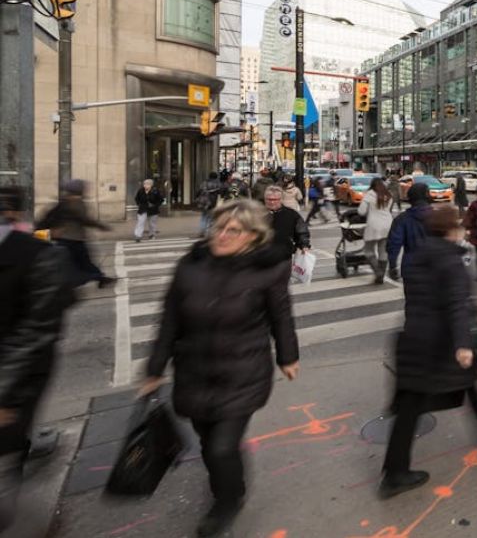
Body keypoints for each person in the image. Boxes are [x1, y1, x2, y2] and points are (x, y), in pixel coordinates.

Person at [139, 200, 299, 537]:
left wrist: (288, 356)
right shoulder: (191, 265)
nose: (222, 235)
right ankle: (226, 478)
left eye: (233, 230)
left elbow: (281, 316)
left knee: (221, 446)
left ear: (253, 237)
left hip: (243, 372)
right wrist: (155, 367)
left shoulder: (268, 270)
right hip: (194, 371)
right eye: (219, 227)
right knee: (208, 440)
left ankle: (228, 498)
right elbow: (169, 319)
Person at [381, 205, 477, 498]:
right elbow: (456, 304)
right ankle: (394, 474)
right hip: (439, 343)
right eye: (458, 226)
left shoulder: (419, 253)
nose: (462, 230)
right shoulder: (450, 259)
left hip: (415, 336)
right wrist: (462, 344)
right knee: (415, 405)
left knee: (462, 384)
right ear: (449, 230)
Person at [0, 188, 74, 533]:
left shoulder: (37, 256)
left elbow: (39, 329)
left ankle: (31, 523)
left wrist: (5, 393)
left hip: (16, 381)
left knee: (6, 462)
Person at [36, 180, 114, 289]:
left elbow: (49, 216)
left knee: (79, 262)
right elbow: (84, 219)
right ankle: (96, 278)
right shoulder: (76, 203)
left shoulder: (64, 202)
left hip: (66, 238)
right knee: (81, 262)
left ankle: (99, 278)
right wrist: (100, 226)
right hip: (73, 239)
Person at [387, 183, 432, 281]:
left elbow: (393, 244)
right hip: (435, 266)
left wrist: (392, 266)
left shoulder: (402, 219)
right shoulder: (439, 217)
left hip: (411, 267)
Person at [259, 186, 311, 265]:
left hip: (283, 256)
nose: (272, 202)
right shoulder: (256, 214)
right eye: (269, 199)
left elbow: (301, 231)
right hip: (260, 257)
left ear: (281, 199)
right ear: (265, 199)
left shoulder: (291, 214)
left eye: (275, 200)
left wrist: (304, 245)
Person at [358, 177, 395, 284]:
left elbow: (361, 211)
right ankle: (381, 276)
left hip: (374, 225)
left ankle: (378, 272)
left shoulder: (369, 195)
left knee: (368, 250)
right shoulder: (388, 195)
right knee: (383, 251)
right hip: (388, 224)